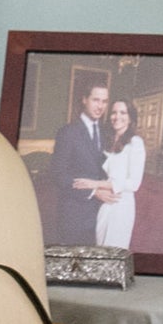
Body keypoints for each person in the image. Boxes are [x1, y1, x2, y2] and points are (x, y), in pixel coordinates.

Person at [45, 75, 114, 244]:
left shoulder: (106, 132)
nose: (100, 106)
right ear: (84, 99)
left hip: (101, 212)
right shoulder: (68, 132)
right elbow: (58, 174)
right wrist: (94, 192)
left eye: (104, 101)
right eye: (96, 100)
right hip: (74, 215)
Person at [92, 97, 145, 250]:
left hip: (122, 204)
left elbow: (134, 184)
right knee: (100, 248)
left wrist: (101, 184)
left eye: (123, 113)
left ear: (131, 118)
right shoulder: (107, 141)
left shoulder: (135, 142)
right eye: (114, 112)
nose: (117, 116)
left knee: (114, 250)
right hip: (104, 203)